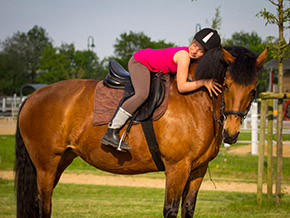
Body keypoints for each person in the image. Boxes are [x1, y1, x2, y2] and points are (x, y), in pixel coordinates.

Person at [101, 28, 222, 150]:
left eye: (201, 50)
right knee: (142, 94)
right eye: (195, 45)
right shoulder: (184, 56)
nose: (195, 50)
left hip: (149, 65)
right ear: (192, 41)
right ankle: (111, 131)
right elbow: (182, 86)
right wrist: (204, 82)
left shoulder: (190, 58)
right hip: (139, 62)